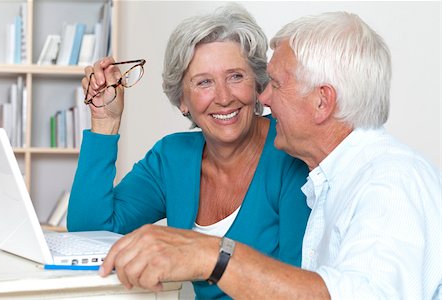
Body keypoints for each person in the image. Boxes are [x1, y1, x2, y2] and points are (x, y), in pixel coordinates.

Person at [98, 11, 442, 300]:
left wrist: (208, 255)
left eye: (275, 84)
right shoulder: (329, 181)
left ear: (322, 101)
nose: (264, 99)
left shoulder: (391, 179)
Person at [67, 4, 310, 299]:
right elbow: (89, 231)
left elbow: (299, 286)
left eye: (235, 76)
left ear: (258, 84)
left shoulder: (290, 151)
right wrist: (105, 122)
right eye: (204, 82)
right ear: (182, 100)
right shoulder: (171, 158)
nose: (223, 97)